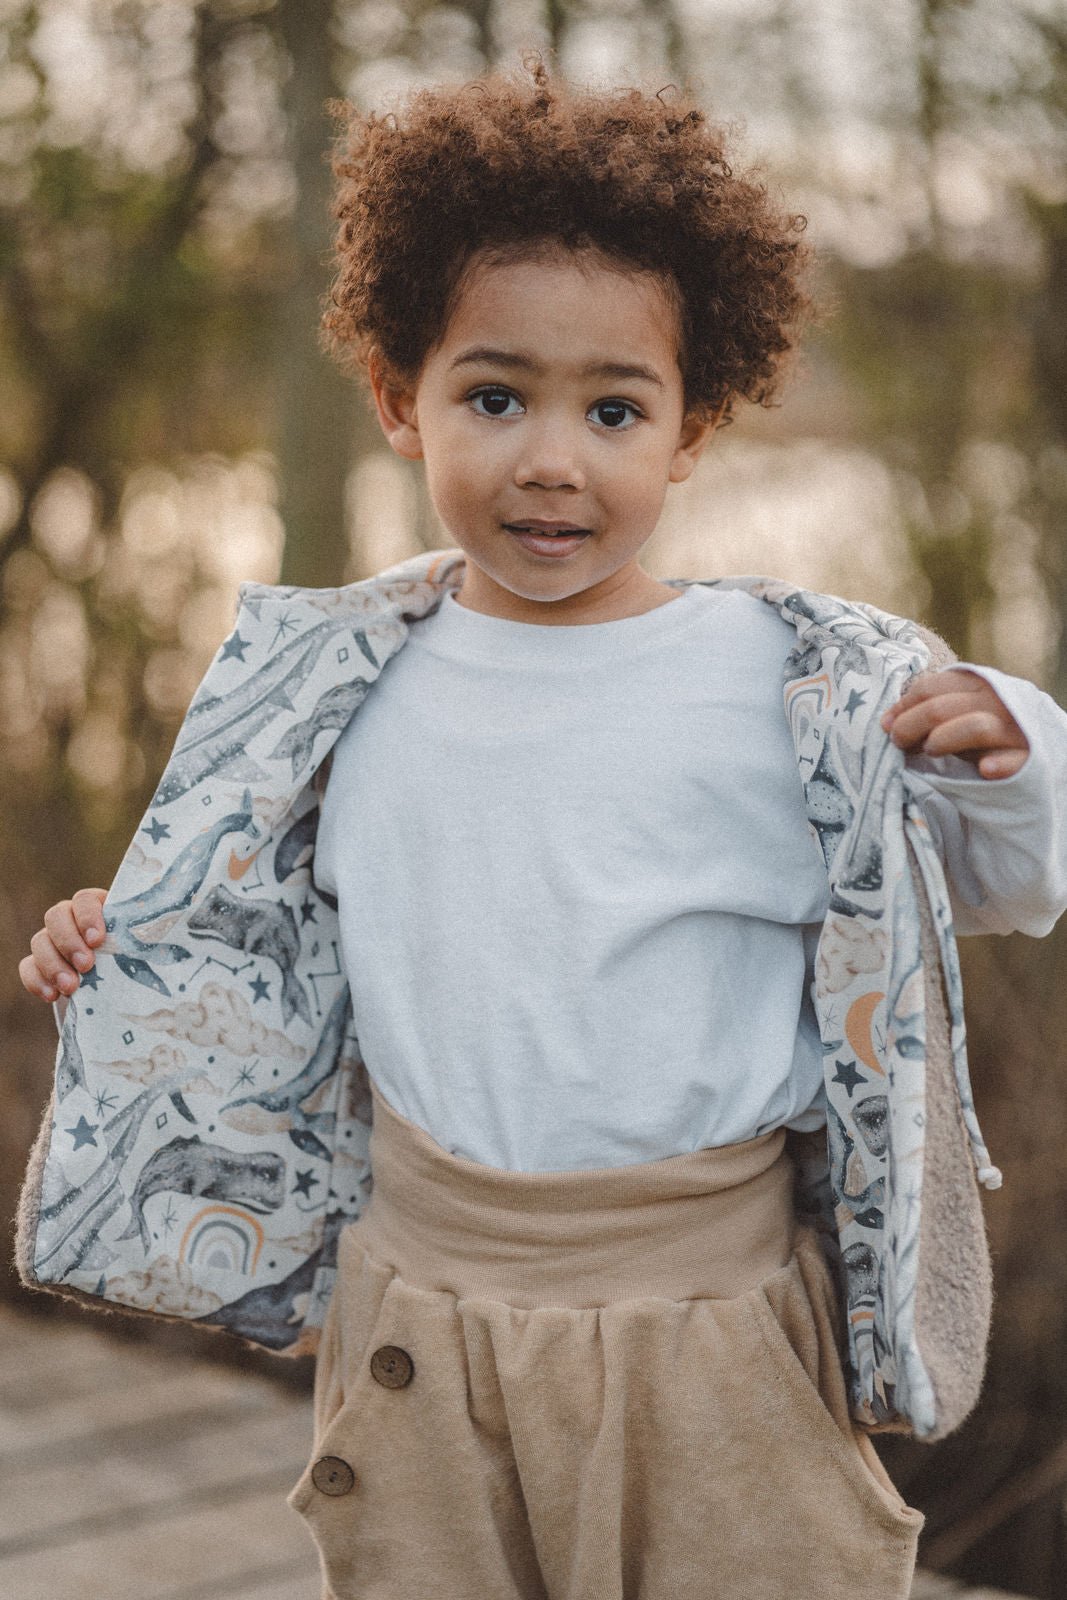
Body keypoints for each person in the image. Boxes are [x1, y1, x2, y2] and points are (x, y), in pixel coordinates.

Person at [16, 58, 1067, 1600]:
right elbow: (268, 937)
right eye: (494, 396)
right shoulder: (334, 686)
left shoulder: (794, 681)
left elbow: (1002, 889)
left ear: (691, 428)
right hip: (420, 1302)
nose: (553, 458)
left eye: (616, 406)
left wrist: (1009, 751)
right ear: (399, 399)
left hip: (710, 1311)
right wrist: (125, 939)